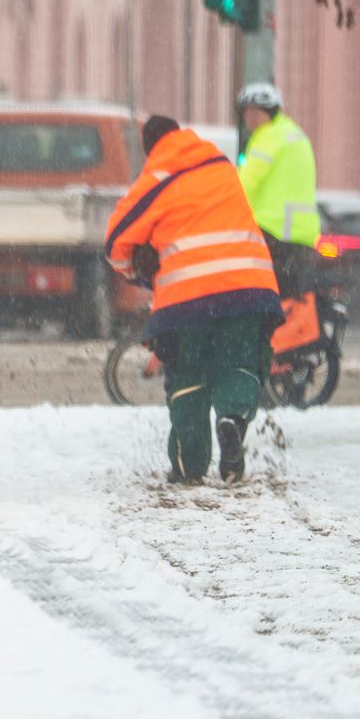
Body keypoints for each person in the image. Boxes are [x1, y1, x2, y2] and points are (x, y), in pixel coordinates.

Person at [107, 117, 284, 482]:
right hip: (248, 286)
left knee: (189, 377)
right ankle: (232, 419)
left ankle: (189, 465)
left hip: (187, 299)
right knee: (240, 363)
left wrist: (140, 273)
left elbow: (115, 242)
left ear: (148, 146)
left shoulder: (157, 179)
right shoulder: (220, 166)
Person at [235, 82, 321, 297]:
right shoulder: (293, 133)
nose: (250, 118)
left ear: (270, 113)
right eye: (247, 113)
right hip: (302, 235)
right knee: (290, 301)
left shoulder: (268, 137)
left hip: (274, 231)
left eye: (256, 112)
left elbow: (245, 184)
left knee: (261, 298)